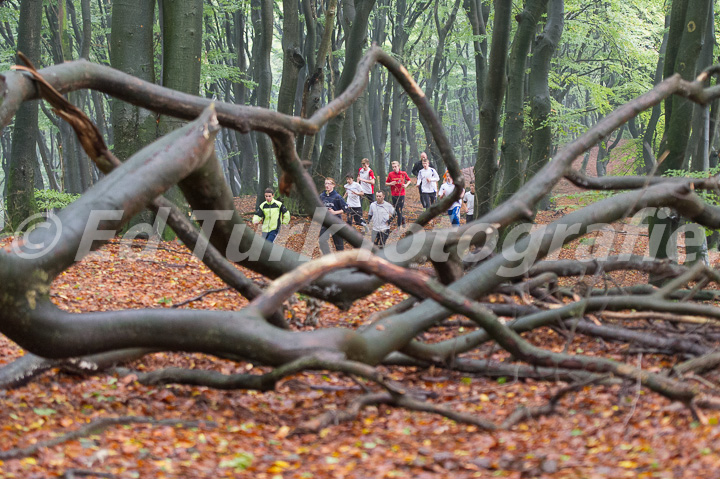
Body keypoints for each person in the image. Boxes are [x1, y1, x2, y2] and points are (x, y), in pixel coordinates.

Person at [318, 178, 348, 254]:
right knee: (322, 240)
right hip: (326, 223)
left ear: (333, 185)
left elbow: (346, 209)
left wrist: (335, 212)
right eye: (326, 183)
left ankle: (341, 262)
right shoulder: (322, 196)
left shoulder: (337, 196)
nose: (327, 185)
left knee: (339, 246)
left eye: (329, 184)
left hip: (336, 222)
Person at [385, 161, 412, 227]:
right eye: (393, 167)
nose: (394, 168)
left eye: (395, 167)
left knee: (399, 210)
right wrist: (391, 183)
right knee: (396, 210)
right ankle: (402, 219)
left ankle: (398, 227)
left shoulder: (403, 173)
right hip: (394, 194)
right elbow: (386, 183)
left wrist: (406, 185)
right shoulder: (390, 174)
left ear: (398, 166)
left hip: (401, 194)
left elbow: (409, 180)